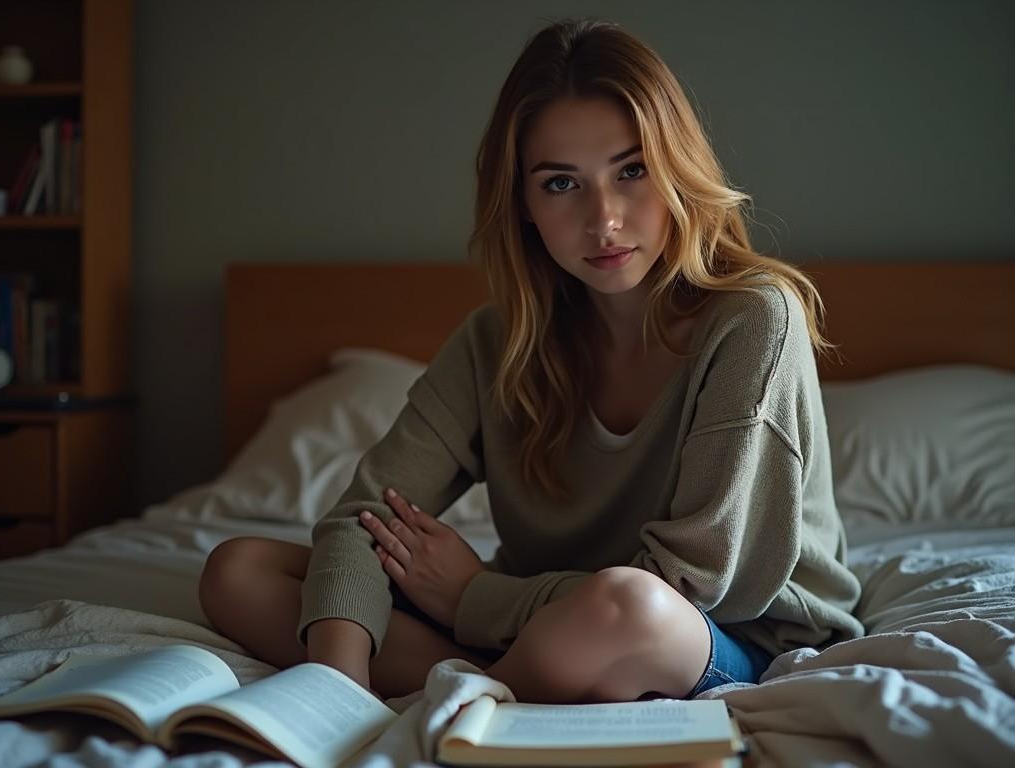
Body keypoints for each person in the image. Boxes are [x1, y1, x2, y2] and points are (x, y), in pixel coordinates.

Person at [198, 17, 864, 704]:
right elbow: (361, 519)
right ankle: (479, 691)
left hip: (716, 635)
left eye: (632, 170)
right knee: (240, 570)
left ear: (678, 170)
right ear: (521, 202)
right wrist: (334, 686)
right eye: (560, 184)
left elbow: (690, 584)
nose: (604, 219)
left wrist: (475, 598)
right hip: (535, 626)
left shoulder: (755, 316)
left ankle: (470, 695)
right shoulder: (495, 341)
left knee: (626, 607)